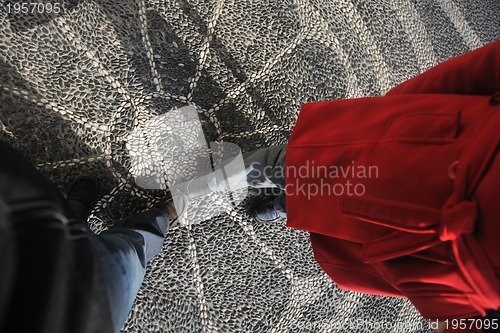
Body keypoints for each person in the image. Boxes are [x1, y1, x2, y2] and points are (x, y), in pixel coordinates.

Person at [244, 40, 500, 332]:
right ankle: (219, 182)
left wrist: (450, 306)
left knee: (334, 218)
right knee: (305, 164)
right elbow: (489, 66)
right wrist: (404, 104)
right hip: (436, 150)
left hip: (436, 260)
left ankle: (288, 203)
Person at [0, 140, 186, 333]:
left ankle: (76, 211)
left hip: (22, 227)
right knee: (133, 249)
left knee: (62, 220)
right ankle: (159, 219)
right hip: (81, 307)